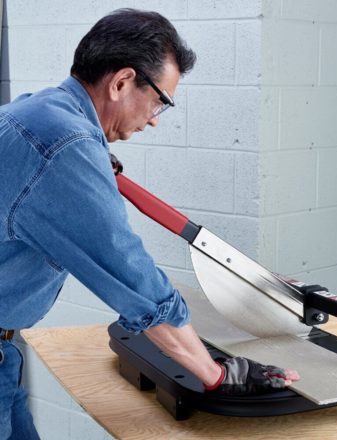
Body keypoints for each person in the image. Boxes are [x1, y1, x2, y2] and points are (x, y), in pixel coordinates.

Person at [0, 9, 299, 439]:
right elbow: (127, 271)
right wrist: (215, 374)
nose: (157, 117)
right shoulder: (63, 145)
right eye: (160, 99)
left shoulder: (39, 110)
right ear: (121, 82)